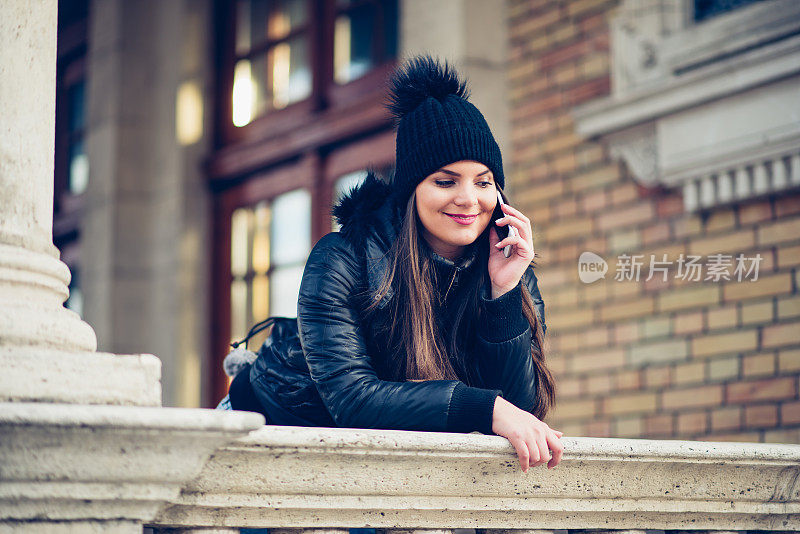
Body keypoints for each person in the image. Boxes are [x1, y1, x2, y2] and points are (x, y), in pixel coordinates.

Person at [224, 55, 563, 473]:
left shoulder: (509, 270)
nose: (468, 199)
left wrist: (504, 295)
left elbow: (520, 411)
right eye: (445, 181)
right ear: (410, 191)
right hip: (271, 428)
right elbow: (353, 399)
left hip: (379, 455)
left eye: (484, 182)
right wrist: (484, 407)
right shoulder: (341, 259)